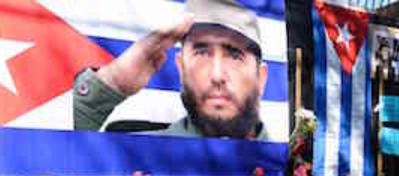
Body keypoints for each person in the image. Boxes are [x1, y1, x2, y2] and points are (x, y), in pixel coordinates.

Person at [73, 0, 270, 139]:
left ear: (261, 78)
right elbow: (56, 157)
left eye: (235, 55)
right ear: (181, 68)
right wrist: (111, 84)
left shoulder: (293, 165)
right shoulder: (137, 154)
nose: (217, 75)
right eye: (201, 53)